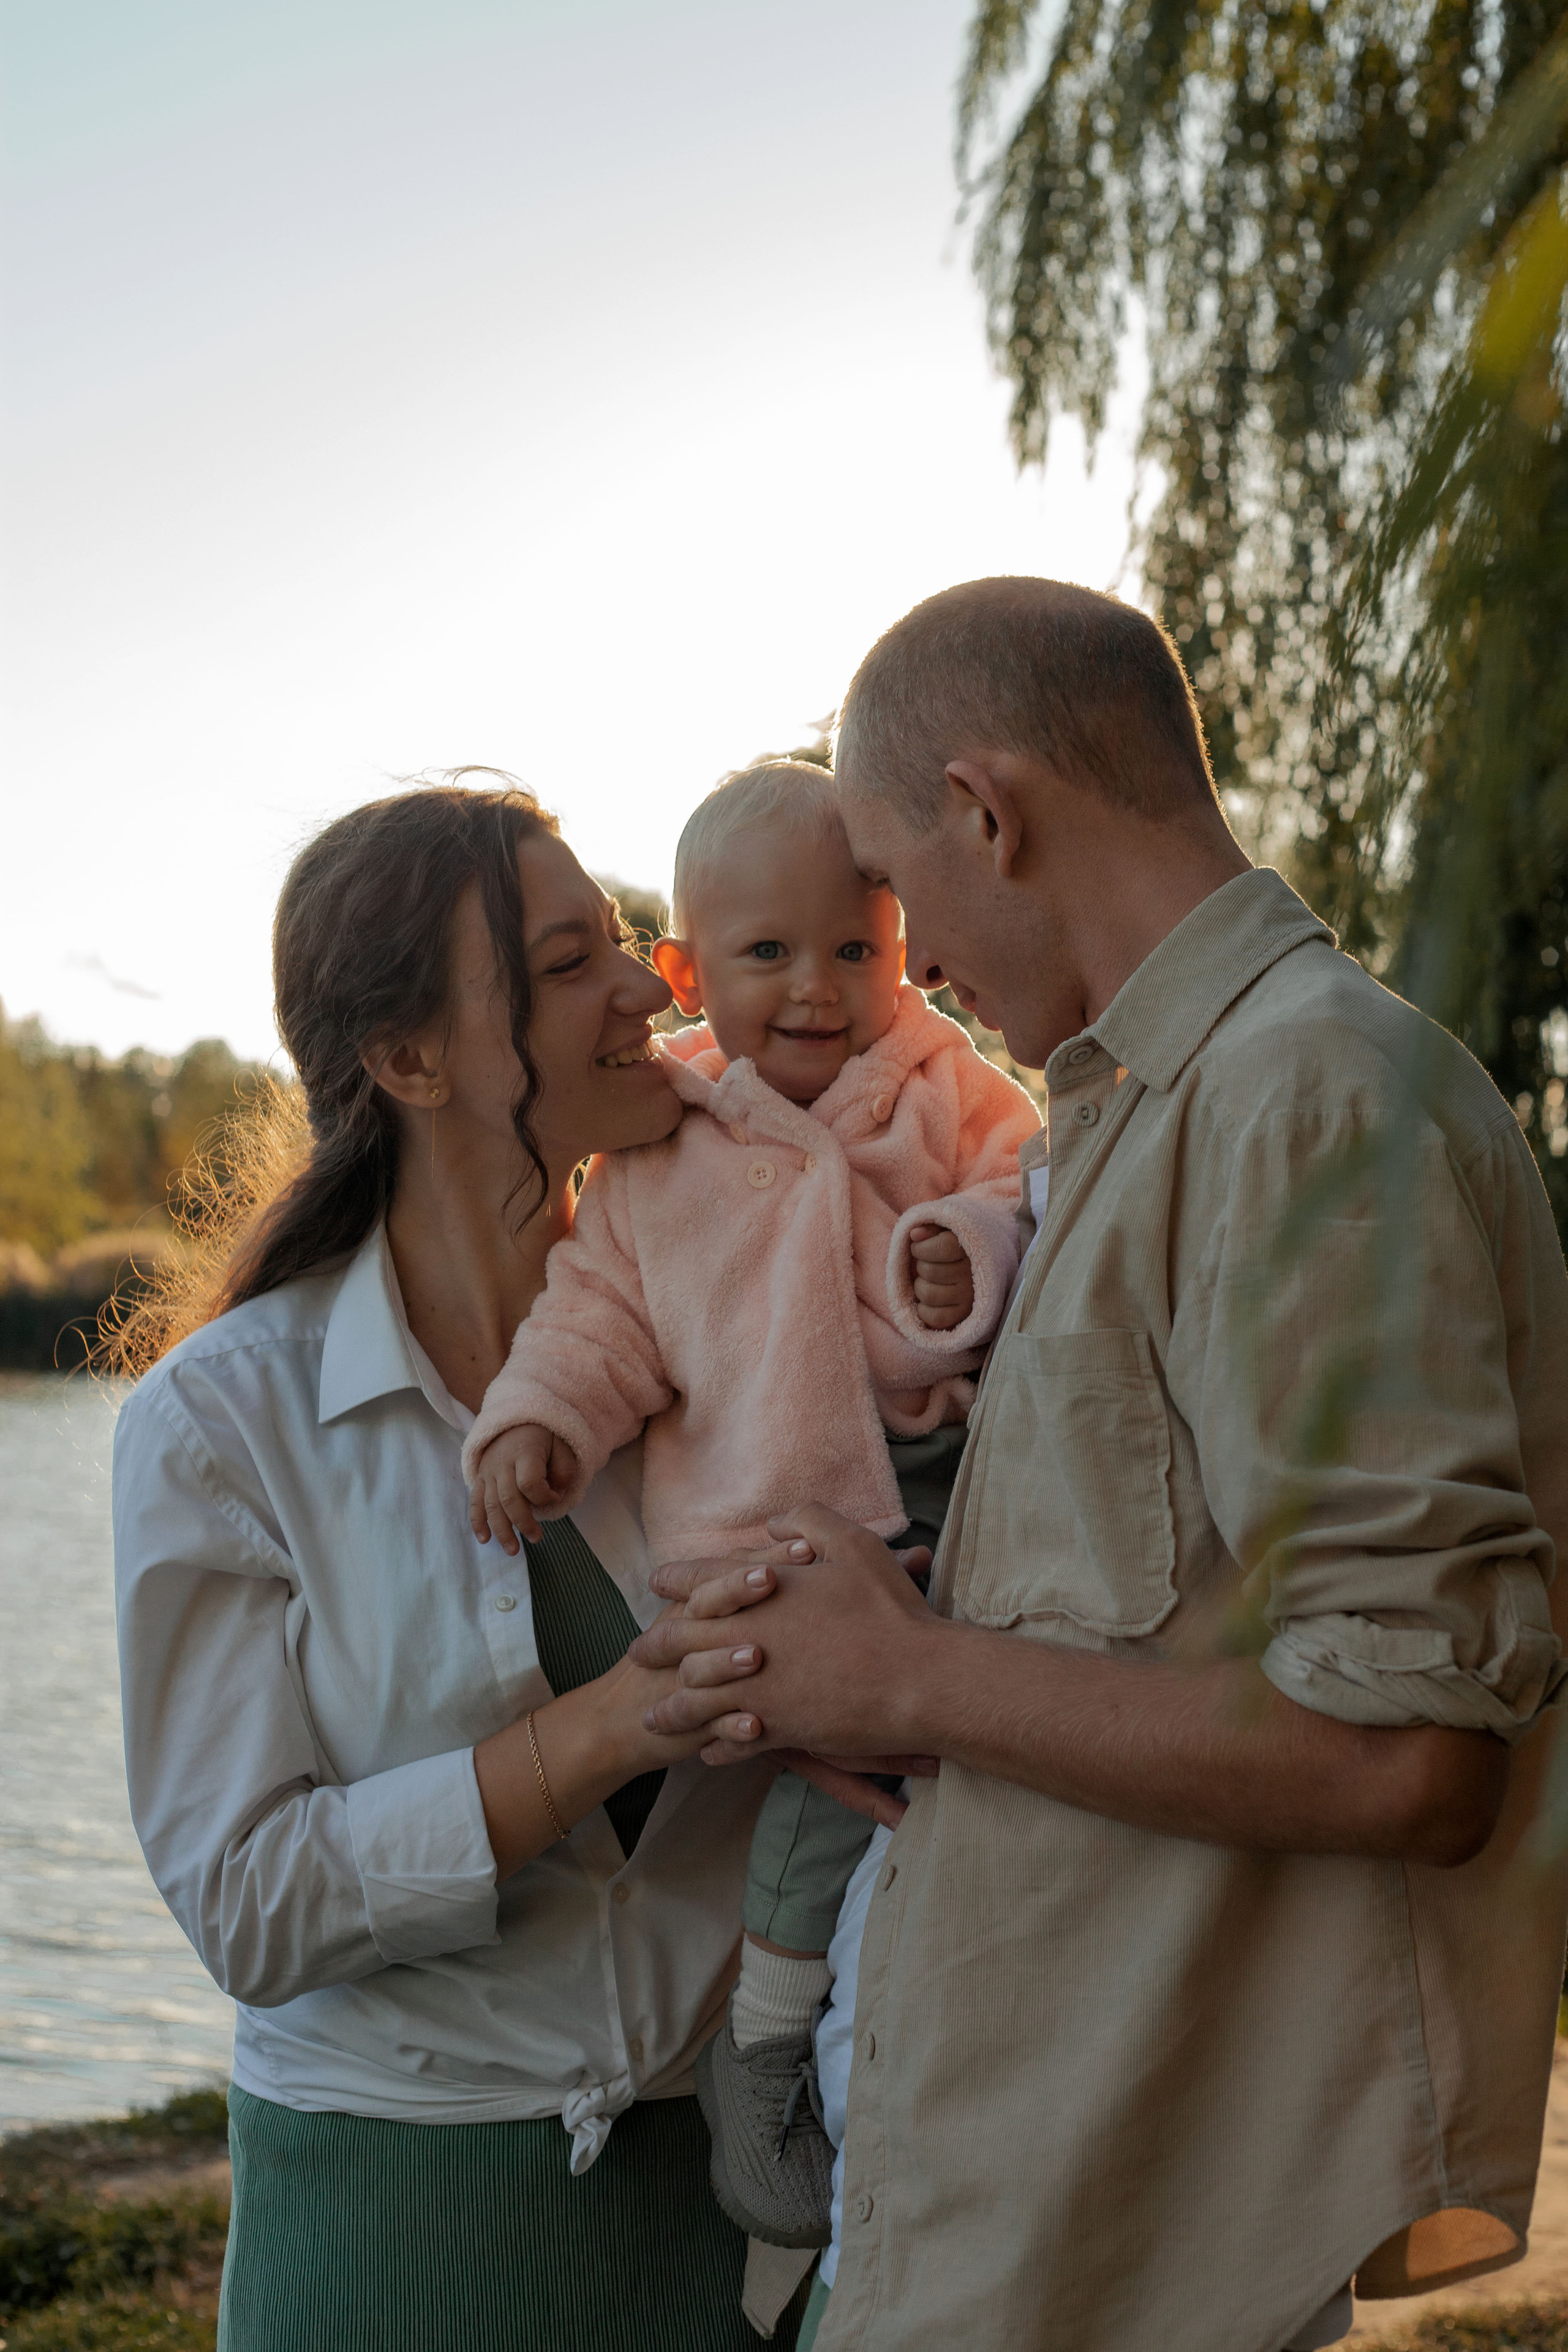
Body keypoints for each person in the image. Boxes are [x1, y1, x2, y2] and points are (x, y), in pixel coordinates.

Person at [629, 579, 1568, 2352]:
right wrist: (905, 1685)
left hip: (1126, 2236)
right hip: (1027, 2190)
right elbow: (1180, 1633)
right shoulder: (1144, 1114)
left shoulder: (1302, 1103)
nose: (907, 960)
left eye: (900, 887)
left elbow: (1409, 1757)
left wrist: (916, 1669)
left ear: (990, 814)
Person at [108, 779, 814, 2351]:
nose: (649, 987)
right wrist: (606, 1729)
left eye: (624, 941)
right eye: (569, 965)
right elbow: (247, 1902)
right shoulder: (221, 1428)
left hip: (742, 2228)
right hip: (387, 2238)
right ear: (410, 1058)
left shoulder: (754, 1340)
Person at [462, 760, 1038, 2249]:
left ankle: (950, 2051)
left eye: (853, 949)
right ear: (686, 973)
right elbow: (598, 1321)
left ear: (900, 943)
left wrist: (969, 1245)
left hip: (949, 1494)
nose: (815, 990)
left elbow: (1040, 1182)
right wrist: (536, 1420)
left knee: (981, 1759)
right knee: (820, 1804)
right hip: (765, 1542)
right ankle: (767, 2046)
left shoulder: (939, 1082)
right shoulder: (660, 1149)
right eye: (766, 955)